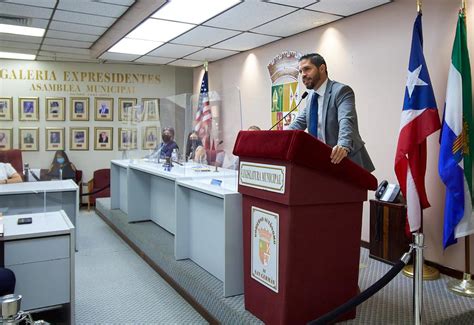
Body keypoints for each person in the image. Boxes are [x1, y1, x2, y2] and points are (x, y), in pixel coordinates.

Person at [289, 53, 375, 172]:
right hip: (323, 162)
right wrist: (278, 139)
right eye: (300, 71)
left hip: (346, 159)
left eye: (307, 69)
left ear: (322, 68)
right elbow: (298, 124)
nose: (303, 75)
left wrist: (343, 145)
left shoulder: (341, 91)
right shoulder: (310, 98)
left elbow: (346, 119)